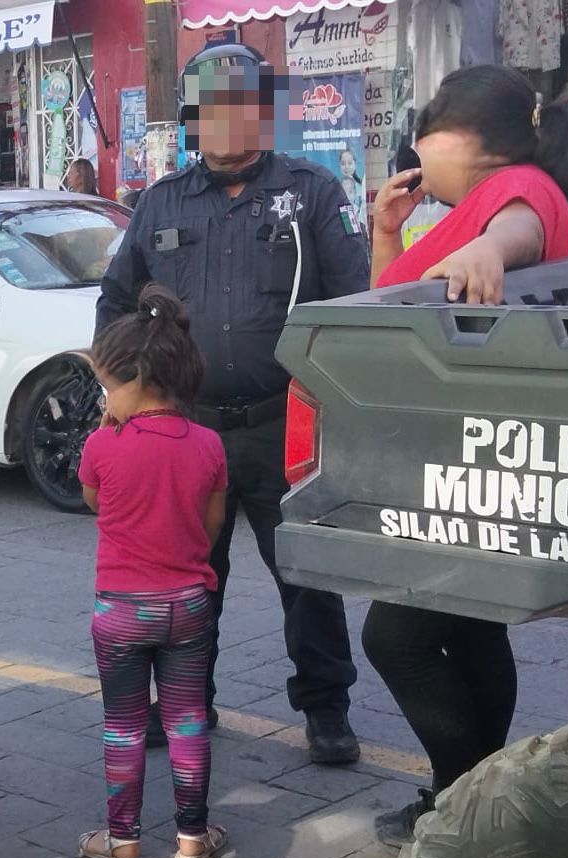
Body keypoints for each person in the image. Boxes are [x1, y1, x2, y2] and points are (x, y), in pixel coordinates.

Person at [97, 43, 367, 766]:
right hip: (187, 431)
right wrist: (121, 394)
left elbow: (353, 304)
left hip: (287, 426)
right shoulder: (160, 202)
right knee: (186, 577)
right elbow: (115, 303)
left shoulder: (311, 193)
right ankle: (188, 700)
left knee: (306, 577)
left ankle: (326, 710)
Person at [364, 65, 568, 850]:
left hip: (460, 462)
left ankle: (464, 802)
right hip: (453, 459)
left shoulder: (515, 193)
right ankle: (471, 794)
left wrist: (486, 250)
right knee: (470, 634)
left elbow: (523, 227)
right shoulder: (469, 206)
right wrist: (386, 235)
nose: (416, 146)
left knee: (394, 638)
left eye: (426, 128)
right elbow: (383, 308)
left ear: (465, 139)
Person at [76, 284, 229, 858]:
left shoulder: (101, 446)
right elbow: (210, 528)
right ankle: (192, 837)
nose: (106, 398)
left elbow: (95, 502)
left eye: (108, 387)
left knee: (124, 725)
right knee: (187, 721)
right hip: (189, 605)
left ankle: (124, 841)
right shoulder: (209, 445)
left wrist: (109, 434)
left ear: (135, 379)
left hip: (121, 611)